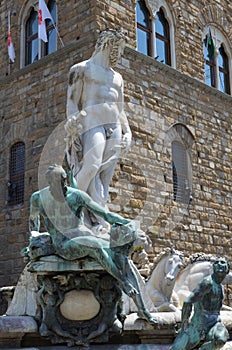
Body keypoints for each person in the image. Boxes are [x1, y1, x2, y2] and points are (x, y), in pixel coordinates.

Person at [29, 164, 157, 324]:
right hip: (63, 246)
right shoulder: (38, 198)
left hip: (82, 235)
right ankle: (123, 281)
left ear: (64, 182)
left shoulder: (76, 196)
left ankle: (142, 308)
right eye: (53, 183)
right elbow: (33, 222)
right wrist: (34, 239)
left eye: (59, 182)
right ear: (49, 182)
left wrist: (128, 223)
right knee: (94, 245)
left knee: (119, 253)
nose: (56, 187)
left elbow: (104, 214)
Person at [64, 29, 132, 226]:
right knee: (91, 166)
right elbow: (72, 102)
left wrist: (128, 132)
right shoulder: (81, 69)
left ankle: (97, 217)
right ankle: (71, 210)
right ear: (108, 45)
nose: (120, 55)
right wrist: (72, 124)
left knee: (104, 179)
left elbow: (120, 109)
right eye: (119, 49)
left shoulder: (118, 77)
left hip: (115, 127)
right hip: (91, 123)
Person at [169, 257, 230, 350]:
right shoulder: (207, 283)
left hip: (215, 322)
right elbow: (188, 301)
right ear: (214, 267)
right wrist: (184, 323)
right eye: (217, 262)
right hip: (200, 324)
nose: (219, 264)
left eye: (222, 262)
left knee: (221, 339)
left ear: (227, 269)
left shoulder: (221, 287)